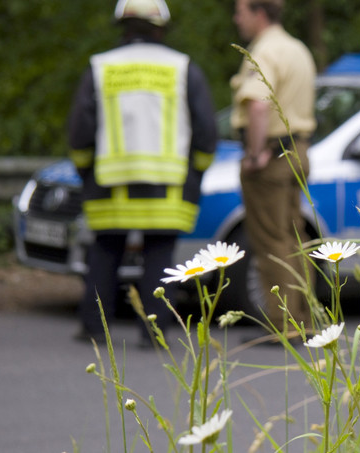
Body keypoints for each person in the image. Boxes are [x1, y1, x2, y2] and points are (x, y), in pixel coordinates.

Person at [68, 0, 217, 344]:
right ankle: (153, 334)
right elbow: (206, 129)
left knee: (104, 252)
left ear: (122, 26)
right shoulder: (183, 67)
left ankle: (93, 329)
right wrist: (196, 172)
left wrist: (85, 170)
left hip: (109, 184)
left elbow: (80, 130)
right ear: (161, 27)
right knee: (159, 255)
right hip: (168, 186)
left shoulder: (100, 67)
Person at [230, 0, 317, 333]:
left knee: (271, 243)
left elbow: (258, 106)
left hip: (270, 156)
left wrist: (254, 155)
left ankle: (284, 323)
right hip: (297, 151)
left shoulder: (264, 52)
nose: (236, 19)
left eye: (241, 12)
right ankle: (306, 319)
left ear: (259, 13)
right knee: (294, 237)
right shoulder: (297, 49)